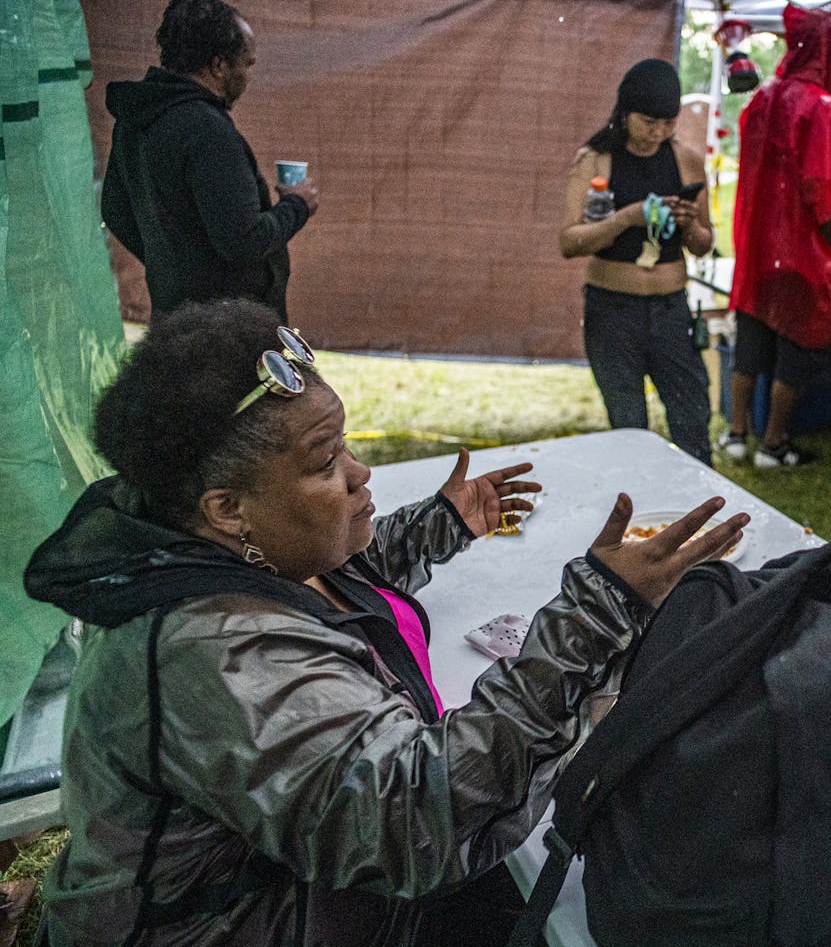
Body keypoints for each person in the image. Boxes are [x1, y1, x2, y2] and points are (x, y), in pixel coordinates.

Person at [23, 299, 747, 944]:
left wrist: (440, 525)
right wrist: (595, 615)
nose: (360, 472)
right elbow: (419, 820)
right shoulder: (208, 656)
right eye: (325, 460)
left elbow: (327, 579)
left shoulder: (214, 544)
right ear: (227, 508)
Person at [101, 0, 319, 322]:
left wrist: (173, 268)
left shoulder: (136, 120)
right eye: (246, 63)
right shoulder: (206, 131)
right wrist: (297, 205)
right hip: (228, 332)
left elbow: (114, 210)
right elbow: (244, 241)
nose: (248, 75)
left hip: (175, 320)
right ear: (218, 65)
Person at [723, 4, 831, 470]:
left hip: (757, 249)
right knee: (797, 347)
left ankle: (734, 436)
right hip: (802, 254)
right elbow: (817, 195)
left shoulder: (763, 96)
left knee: (751, 338)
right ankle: (774, 445)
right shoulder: (819, 107)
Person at [559, 58, 714, 465]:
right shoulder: (595, 159)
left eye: (668, 123)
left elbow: (703, 243)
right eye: (648, 122)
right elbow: (569, 241)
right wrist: (627, 217)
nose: (658, 133)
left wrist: (689, 224)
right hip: (613, 309)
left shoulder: (686, 160)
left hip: (670, 308)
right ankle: (639, 511)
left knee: (692, 416)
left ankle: (702, 506)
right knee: (628, 425)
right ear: (624, 112)